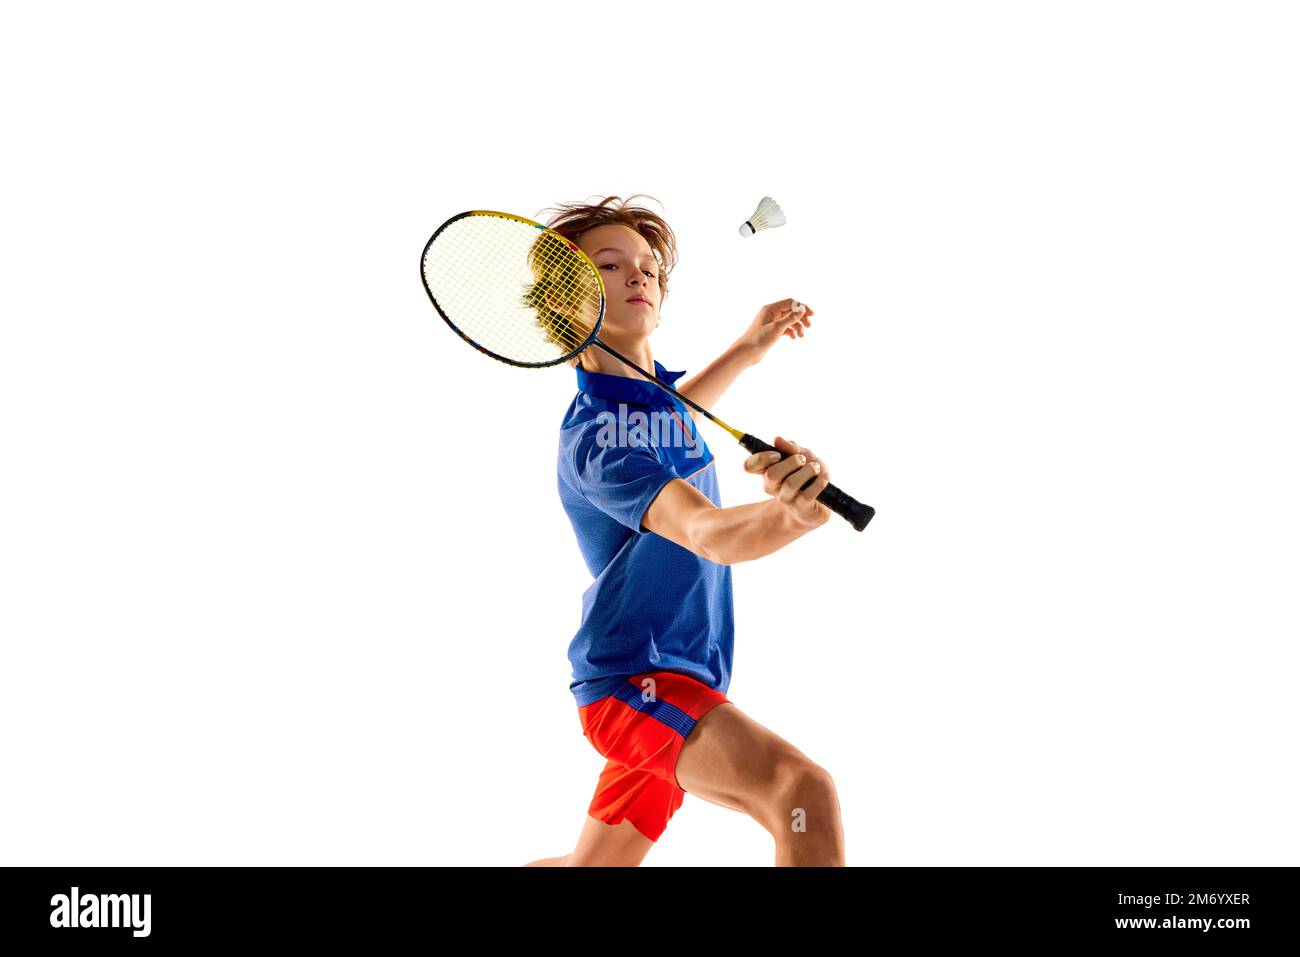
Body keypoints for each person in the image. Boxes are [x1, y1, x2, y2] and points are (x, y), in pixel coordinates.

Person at [524, 196, 845, 867]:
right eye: (609, 265)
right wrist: (791, 513)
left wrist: (750, 347)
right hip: (636, 683)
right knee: (801, 790)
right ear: (564, 302)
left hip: (684, 674)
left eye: (647, 266)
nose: (638, 274)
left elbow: (678, 406)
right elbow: (706, 532)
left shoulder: (648, 401)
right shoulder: (597, 444)